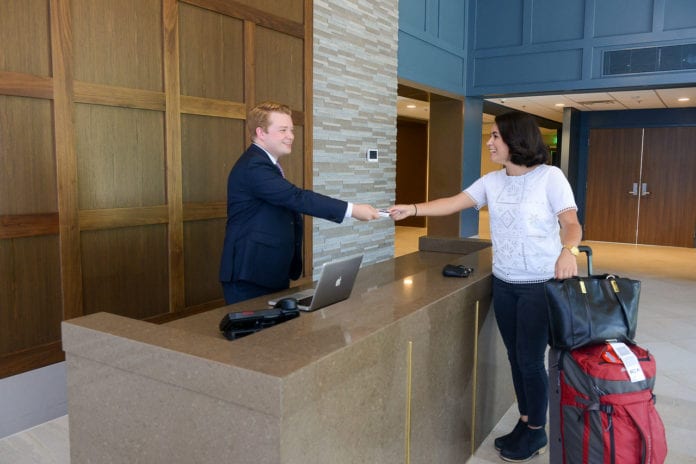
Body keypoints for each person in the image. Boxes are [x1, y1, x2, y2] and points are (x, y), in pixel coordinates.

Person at [389, 111, 582, 462]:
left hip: (540, 283)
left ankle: (537, 431)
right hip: (505, 281)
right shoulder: (492, 181)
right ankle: (526, 420)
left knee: (529, 359)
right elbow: (453, 202)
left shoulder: (550, 177)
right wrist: (413, 208)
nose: (490, 142)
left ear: (515, 140)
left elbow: (571, 223)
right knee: (514, 356)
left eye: (495, 136)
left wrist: (568, 251)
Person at [219, 101, 379, 305]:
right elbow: (296, 197)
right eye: (283, 130)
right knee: (258, 336)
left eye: (291, 130)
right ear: (261, 132)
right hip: (249, 273)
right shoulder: (254, 166)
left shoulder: (266, 163)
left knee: (275, 333)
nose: (291, 136)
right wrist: (352, 210)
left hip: (266, 269)